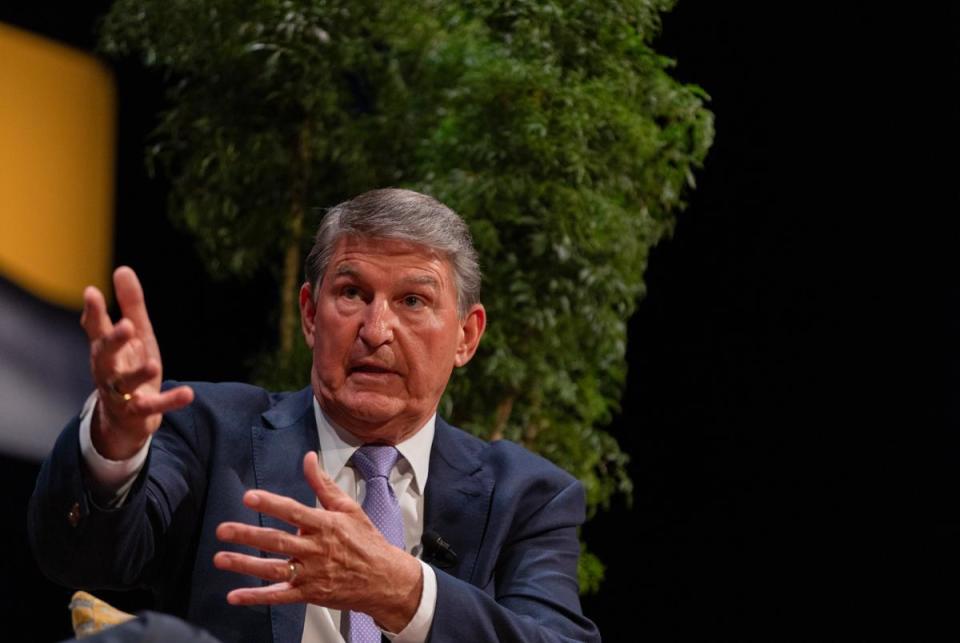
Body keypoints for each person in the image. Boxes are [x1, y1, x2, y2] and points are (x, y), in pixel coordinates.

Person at [29, 188, 600, 642]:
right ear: (309, 313)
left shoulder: (528, 497)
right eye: (352, 293)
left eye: (413, 301)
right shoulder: (208, 430)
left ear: (466, 337)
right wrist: (115, 439)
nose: (376, 332)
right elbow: (80, 554)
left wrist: (403, 592)